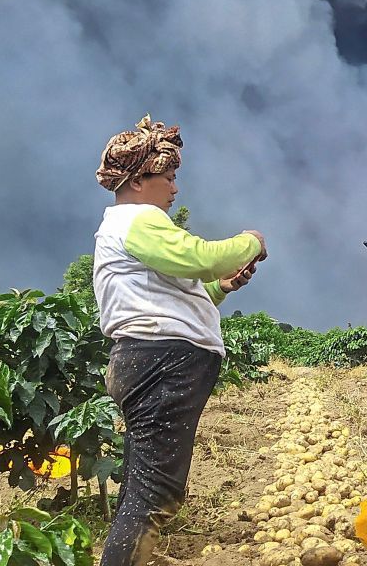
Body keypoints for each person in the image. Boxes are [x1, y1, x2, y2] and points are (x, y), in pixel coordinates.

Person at [93, 116, 265, 566]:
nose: (174, 188)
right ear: (137, 180)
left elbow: (175, 294)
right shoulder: (138, 220)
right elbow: (196, 257)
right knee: (153, 494)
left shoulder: (128, 228)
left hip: (150, 359)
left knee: (141, 484)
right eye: (167, 177)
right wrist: (249, 241)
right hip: (160, 362)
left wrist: (221, 288)